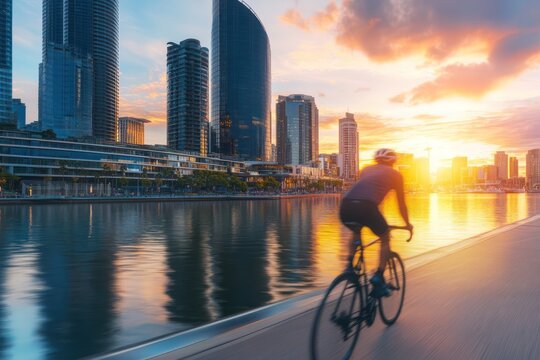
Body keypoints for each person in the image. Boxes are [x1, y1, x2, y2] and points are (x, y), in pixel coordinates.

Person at [340, 148, 413, 298]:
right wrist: (408, 224)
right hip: (367, 207)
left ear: (376, 160)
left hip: (345, 205)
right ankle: (378, 277)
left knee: (356, 230)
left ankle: (349, 267)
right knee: (385, 237)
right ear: (393, 162)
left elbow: (367, 191)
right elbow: (401, 205)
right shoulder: (396, 175)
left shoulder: (366, 169)